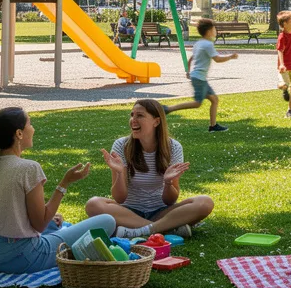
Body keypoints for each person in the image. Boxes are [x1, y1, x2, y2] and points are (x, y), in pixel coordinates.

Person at [0, 107, 116, 273]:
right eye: (30, 124)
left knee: (53, 224)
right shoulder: (28, 168)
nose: (33, 128)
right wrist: (64, 183)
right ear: (19, 134)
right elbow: (39, 224)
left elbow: (9, 211)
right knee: (107, 221)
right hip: (21, 258)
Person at [85, 99, 215, 238]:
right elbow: (120, 198)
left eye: (140, 116)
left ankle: (138, 230)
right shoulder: (121, 145)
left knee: (205, 202)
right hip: (128, 212)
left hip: (162, 211)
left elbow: (169, 201)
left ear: (156, 122)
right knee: (93, 204)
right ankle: (166, 227)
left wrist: (168, 182)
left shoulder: (174, 147)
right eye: (132, 115)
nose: (133, 120)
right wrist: (119, 172)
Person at [164, 18, 237, 132]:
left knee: (214, 100)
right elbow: (217, 59)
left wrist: (188, 71)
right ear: (209, 31)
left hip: (198, 77)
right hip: (199, 78)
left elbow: (190, 59)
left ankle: (213, 126)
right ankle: (168, 109)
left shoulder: (198, 43)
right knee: (197, 103)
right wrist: (231, 57)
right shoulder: (208, 45)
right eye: (214, 29)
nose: (215, 31)